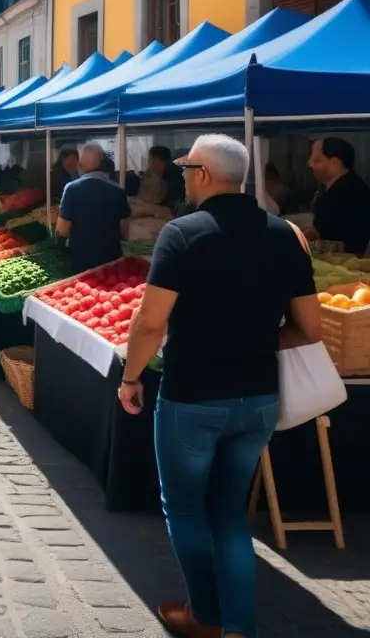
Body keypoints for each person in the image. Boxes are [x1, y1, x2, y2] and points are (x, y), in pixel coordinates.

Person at [120, 134, 322, 638]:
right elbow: (309, 328)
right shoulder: (284, 235)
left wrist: (130, 377)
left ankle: (205, 617)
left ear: (204, 176)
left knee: (186, 509)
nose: (182, 175)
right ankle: (238, 627)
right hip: (257, 397)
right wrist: (254, 340)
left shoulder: (182, 234)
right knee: (229, 512)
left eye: (187, 167)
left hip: (193, 396)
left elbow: (149, 323)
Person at [55, 142, 131, 272]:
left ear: (80, 165)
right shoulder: (118, 190)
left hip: (82, 260)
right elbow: (125, 229)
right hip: (111, 259)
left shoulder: (72, 189)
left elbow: (62, 230)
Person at [304, 137, 370, 254]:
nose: (310, 164)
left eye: (317, 160)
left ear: (335, 163)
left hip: (344, 260)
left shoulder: (341, 194)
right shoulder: (354, 185)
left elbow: (317, 232)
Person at [148, 146, 186, 210]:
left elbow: (170, 205)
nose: (148, 163)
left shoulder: (174, 174)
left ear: (156, 161)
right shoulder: (166, 173)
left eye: (149, 160)